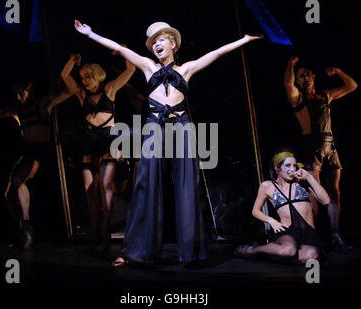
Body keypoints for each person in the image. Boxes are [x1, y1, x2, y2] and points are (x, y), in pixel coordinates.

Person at [73, 20, 262, 267]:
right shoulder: (148, 66)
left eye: (161, 40)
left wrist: (244, 40)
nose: (156, 45)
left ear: (172, 43)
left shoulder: (187, 69)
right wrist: (90, 33)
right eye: (153, 42)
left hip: (181, 127)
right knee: (146, 186)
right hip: (154, 128)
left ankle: (191, 252)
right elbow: (119, 49)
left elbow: (217, 52)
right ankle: (135, 252)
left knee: (187, 185)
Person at [48, 53, 136, 253]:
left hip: (108, 140)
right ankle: (97, 229)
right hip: (89, 142)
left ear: (97, 75)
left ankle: (105, 229)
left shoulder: (109, 89)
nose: (84, 80)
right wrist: (72, 60)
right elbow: (64, 76)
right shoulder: (81, 95)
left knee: (105, 187)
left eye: (88, 76)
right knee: (89, 189)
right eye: (82, 76)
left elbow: (130, 70)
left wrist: (122, 51)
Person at [284, 56, 358, 250]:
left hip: (329, 145)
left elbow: (352, 86)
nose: (306, 77)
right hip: (311, 146)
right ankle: (312, 238)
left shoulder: (325, 95)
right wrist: (291, 65)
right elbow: (287, 83)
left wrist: (339, 71)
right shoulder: (297, 98)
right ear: (298, 81)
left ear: (314, 76)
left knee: (334, 192)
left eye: (308, 73)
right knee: (313, 195)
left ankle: (335, 235)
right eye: (302, 75)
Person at [234, 151, 330, 264]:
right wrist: (272, 221)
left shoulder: (302, 182)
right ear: (277, 168)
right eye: (287, 165)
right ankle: (252, 250)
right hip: (286, 232)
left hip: (308, 233)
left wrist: (309, 177)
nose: (292, 169)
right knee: (288, 250)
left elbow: (326, 200)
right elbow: (255, 211)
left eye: (294, 165)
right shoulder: (267, 186)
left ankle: (272, 254)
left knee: (311, 256)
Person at [0, 81, 54, 249]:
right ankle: (22, 227)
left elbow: (64, 94)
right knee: (8, 193)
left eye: (21, 93)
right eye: (17, 94)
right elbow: (3, 113)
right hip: (28, 152)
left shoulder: (40, 105)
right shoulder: (18, 110)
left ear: (29, 89)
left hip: (42, 152)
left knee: (19, 180)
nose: (18, 97)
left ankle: (27, 226)